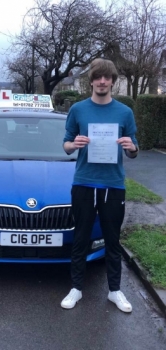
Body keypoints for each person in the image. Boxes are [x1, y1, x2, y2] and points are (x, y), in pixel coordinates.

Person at [61, 58, 139, 313]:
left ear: (113, 82)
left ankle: (114, 291)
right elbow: (66, 144)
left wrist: (132, 147)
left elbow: (133, 149)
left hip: (113, 185)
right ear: (91, 80)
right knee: (81, 238)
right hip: (84, 182)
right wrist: (75, 145)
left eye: (107, 78)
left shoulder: (124, 112)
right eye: (98, 77)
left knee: (112, 240)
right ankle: (76, 288)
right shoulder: (78, 110)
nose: (102, 81)